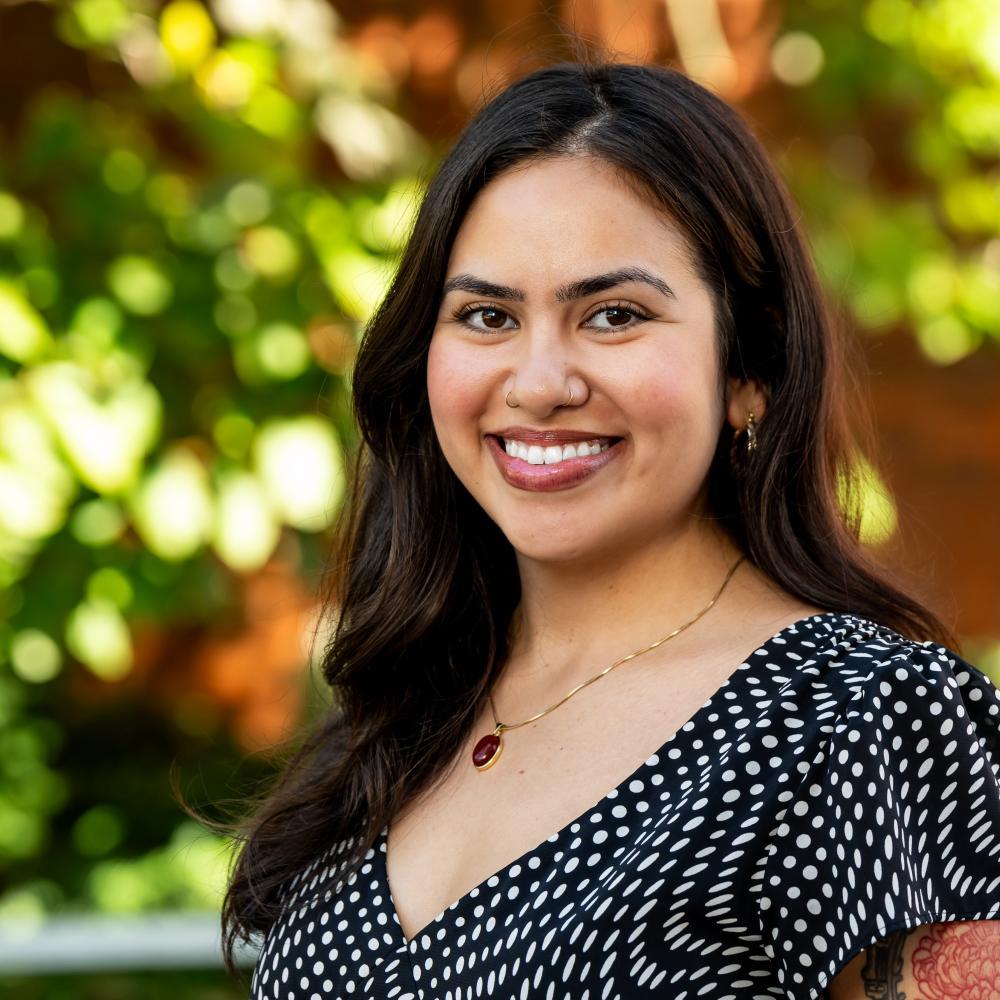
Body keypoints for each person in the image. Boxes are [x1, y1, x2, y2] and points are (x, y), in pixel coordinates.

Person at [222, 59, 1000, 999]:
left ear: (748, 366)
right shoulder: (411, 710)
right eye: (486, 315)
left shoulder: (869, 721)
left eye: (614, 315)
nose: (542, 382)